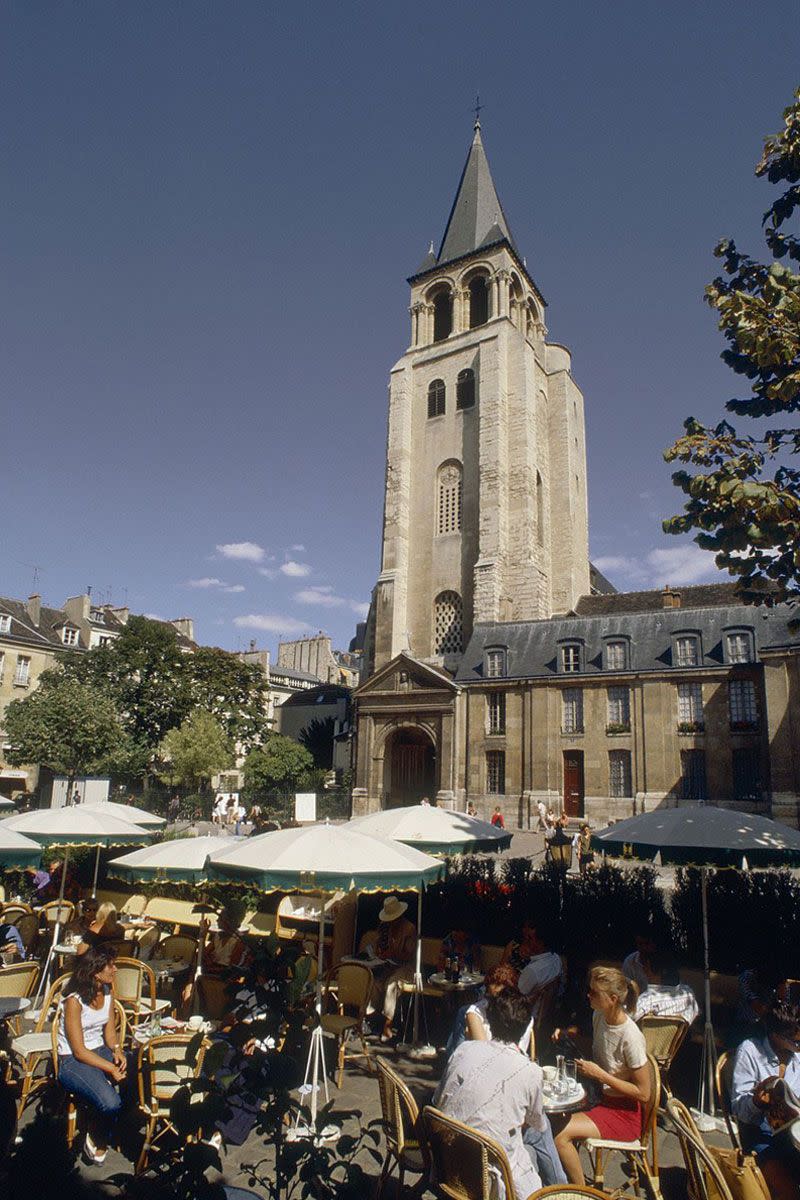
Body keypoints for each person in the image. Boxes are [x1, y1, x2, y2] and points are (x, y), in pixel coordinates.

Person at [435, 989, 552, 1199]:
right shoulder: (530, 1071)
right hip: (486, 1171)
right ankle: (561, 1188)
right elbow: (535, 1121)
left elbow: (439, 1099)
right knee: (538, 1135)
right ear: (526, 1028)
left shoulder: (464, 1050)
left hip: (448, 1157)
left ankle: (560, 1186)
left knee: (531, 1138)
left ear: (491, 1021)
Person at [554, 966, 650, 1186]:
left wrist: (601, 1075)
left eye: (594, 993)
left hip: (623, 1113)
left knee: (560, 1136)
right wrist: (568, 1036)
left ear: (613, 998)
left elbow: (645, 1094)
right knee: (550, 1117)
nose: (588, 995)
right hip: (599, 1098)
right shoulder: (599, 1016)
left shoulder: (631, 1036)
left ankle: (581, 1191)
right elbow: (600, 1048)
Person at [56, 946, 127, 1165]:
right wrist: (111, 1068)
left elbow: (109, 1030)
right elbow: (79, 1051)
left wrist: (116, 1050)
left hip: (99, 1050)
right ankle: (96, 1131)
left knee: (137, 1072)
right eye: (111, 965)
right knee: (111, 1103)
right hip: (72, 1060)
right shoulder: (74, 1001)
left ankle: (114, 1123)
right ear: (95, 972)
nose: (115, 969)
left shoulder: (107, 990)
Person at [731, 999, 800, 1200]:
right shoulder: (750, 1051)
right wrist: (757, 1102)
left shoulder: (797, 1056)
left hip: (794, 1134)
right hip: (759, 1133)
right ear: (775, 1036)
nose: (798, 1045)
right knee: (788, 1190)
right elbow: (739, 1110)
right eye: (795, 1041)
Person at [365, 895, 416, 1042]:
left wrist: (392, 953)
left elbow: (408, 955)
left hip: (407, 968)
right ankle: (371, 1018)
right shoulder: (385, 927)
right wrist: (380, 953)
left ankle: (388, 1025)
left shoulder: (409, 929)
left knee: (391, 985)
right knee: (374, 982)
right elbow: (379, 947)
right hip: (389, 964)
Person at [634, 951, 699, 1025]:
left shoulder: (648, 999)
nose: (644, 970)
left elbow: (628, 1019)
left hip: (650, 1036)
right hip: (680, 1035)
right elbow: (695, 1013)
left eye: (646, 967)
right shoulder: (688, 993)